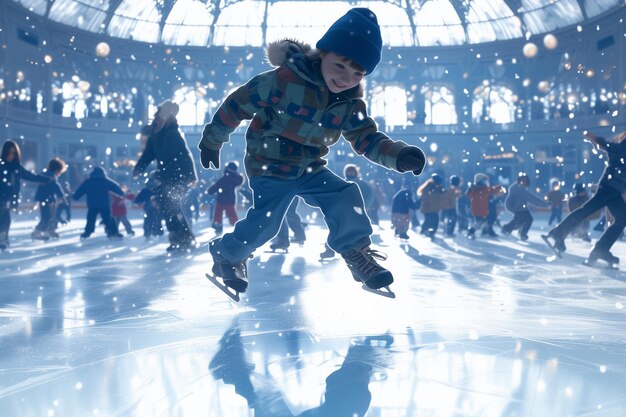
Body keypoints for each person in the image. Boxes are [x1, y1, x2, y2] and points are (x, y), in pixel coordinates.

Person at [198, 8, 425, 297]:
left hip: (309, 166)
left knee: (345, 195)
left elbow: (366, 138)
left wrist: (399, 155)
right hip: (270, 162)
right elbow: (238, 104)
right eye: (340, 66)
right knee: (266, 223)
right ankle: (227, 255)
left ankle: (356, 253)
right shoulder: (284, 80)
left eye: (357, 73)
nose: (346, 78)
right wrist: (213, 139)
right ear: (323, 53)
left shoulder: (349, 104)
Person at [543, 131, 626, 265]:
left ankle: (600, 250)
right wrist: (594, 137)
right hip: (608, 189)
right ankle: (559, 233)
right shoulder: (621, 149)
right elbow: (606, 145)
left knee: (621, 218)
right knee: (586, 210)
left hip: (614, 192)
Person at [133, 100, 198, 252]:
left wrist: (190, 176)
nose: (157, 120)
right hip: (168, 176)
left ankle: (184, 239)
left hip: (179, 176)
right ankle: (178, 238)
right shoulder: (156, 134)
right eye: (157, 117)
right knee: (167, 207)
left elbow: (182, 157)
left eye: (160, 117)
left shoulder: (173, 134)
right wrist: (139, 168)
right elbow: (148, 153)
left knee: (172, 207)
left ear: (167, 118)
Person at [0, 140, 49, 250]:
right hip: (1, 198)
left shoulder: (16, 167)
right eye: (9, 153)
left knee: (5, 219)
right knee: (4, 219)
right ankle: (3, 240)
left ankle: (3, 240)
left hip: (7, 199)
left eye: (13, 153)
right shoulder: (1, 166)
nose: (11, 156)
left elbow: (30, 176)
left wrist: (45, 179)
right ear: (4, 152)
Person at [73, 166, 124, 239]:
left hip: (92, 204)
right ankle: (113, 232)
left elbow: (80, 190)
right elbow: (116, 187)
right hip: (104, 204)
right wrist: (121, 193)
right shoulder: (106, 181)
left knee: (91, 219)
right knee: (108, 219)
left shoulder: (88, 182)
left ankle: (88, 232)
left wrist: (75, 196)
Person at [501, 174, 548, 241]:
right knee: (522, 219)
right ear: (519, 181)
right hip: (517, 208)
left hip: (519, 208)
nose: (524, 183)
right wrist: (545, 204)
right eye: (522, 181)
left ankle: (518, 231)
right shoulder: (519, 190)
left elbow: (531, 199)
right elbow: (533, 199)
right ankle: (509, 229)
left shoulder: (518, 188)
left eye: (525, 181)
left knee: (525, 219)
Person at [32, 158, 68, 240]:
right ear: (57, 170)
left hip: (45, 199)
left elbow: (40, 189)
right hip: (49, 200)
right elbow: (57, 187)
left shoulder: (45, 175)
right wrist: (62, 197)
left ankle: (50, 230)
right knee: (47, 217)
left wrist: (39, 199)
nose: (60, 174)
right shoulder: (51, 177)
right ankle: (37, 232)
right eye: (60, 171)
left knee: (50, 216)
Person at [206, 161, 244, 235]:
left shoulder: (224, 179)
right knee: (231, 214)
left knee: (218, 213)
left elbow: (215, 187)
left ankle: (218, 224)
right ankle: (236, 226)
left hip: (221, 199)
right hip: (230, 200)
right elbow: (241, 179)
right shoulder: (236, 178)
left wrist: (210, 191)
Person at [466, 173, 504, 239]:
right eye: (485, 181)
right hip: (479, 209)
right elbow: (491, 190)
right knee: (479, 222)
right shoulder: (480, 189)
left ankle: (485, 231)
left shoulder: (480, 189)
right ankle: (471, 231)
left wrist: (498, 188)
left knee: (483, 221)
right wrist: (498, 188)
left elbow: (491, 190)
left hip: (481, 209)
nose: (486, 182)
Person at [134, 171, 164, 239]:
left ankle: (150, 233)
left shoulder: (147, 189)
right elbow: (138, 200)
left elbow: (138, 200)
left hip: (150, 208)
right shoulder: (158, 188)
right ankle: (156, 233)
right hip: (153, 208)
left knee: (151, 221)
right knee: (155, 221)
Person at [417, 173, 444, 238]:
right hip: (428, 208)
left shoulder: (439, 187)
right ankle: (425, 230)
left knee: (434, 220)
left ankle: (431, 231)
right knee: (429, 220)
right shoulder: (429, 186)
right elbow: (424, 195)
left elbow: (441, 196)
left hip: (434, 208)